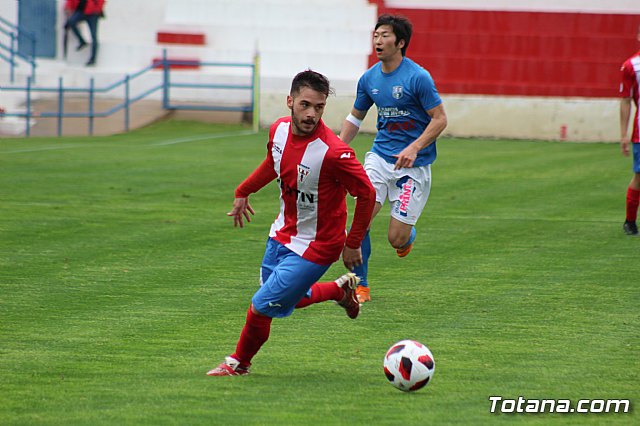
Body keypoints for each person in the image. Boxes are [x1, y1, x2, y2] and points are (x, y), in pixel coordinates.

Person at [207, 70, 376, 376]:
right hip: (281, 234)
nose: (312, 114)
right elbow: (273, 164)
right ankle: (339, 292)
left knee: (261, 306)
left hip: (320, 245)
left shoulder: (334, 153)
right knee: (288, 300)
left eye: (319, 107)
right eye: (305, 105)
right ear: (290, 101)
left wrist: (352, 244)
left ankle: (238, 363)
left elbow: (367, 194)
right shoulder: (279, 131)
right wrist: (243, 190)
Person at [339, 14, 448, 303]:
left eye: (385, 35)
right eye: (376, 34)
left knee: (396, 239)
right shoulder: (369, 78)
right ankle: (360, 285)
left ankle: (407, 238)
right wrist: (335, 149)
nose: (378, 40)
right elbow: (355, 117)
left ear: (400, 42)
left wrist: (414, 147)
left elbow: (439, 120)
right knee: (361, 219)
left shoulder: (418, 77)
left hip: (413, 166)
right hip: (379, 157)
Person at [619, 24, 640, 236]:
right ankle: (630, 221)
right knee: (639, 176)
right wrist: (623, 134)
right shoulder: (630, 66)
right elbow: (625, 100)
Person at [64, 0, 105, 66]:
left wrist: (97, 9)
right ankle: (82, 41)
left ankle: (93, 59)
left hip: (93, 13)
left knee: (93, 36)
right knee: (71, 22)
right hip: (81, 11)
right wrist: (68, 7)